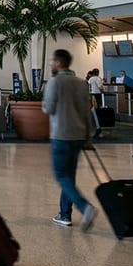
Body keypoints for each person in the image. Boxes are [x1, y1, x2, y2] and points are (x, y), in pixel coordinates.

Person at [43, 48, 97, 231]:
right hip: (78, 136)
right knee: (69, 177)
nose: (51, 64)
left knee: (61, 176)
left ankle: (85, 207)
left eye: (52, 61)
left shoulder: (55, 82)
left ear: (59, 63)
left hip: (61, 135)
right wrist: (88, 137)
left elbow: (48, 108)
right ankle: (64, 214)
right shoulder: (82, 83)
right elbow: (86, 112)